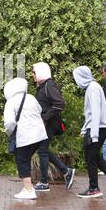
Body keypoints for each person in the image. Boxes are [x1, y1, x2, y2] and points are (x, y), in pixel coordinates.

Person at [72, 66, 106, 198]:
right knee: (93, 156)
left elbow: (96, 112)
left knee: (91, 158)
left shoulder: (93, 88)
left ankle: (94, 188)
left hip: (97, 129)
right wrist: (85, 129)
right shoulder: (92, 88)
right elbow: (91, 114)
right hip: (96, 128)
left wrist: (93, 134)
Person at [32, 62, 75, 192]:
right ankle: (66, 171)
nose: (32, 75)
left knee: (42, 150)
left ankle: (44, 182)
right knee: (42, 149)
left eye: (34, 72)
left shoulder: (49, 85)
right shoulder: (43, 86)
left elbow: (59, 103)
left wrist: (45, 118)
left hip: (48, 124)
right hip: (45, 124)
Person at [4, 77, 47, 200]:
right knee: (27, 157)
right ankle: (28, 188)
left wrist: (10, 133)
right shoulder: (31, 98)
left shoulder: (11, 102)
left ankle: (28, 190)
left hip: (25, 136)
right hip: (40, 135)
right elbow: (39, 110)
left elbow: (9, 123)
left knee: (22, 159)